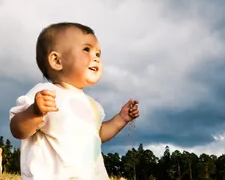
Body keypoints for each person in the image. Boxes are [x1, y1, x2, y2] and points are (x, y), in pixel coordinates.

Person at [9, 22, 140, 180]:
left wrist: (121, 119)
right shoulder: (45, 94)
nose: (96, 58)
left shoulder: (93, 105)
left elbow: (97, 135)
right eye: (87, 49)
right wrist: (34, 112)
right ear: (57, 61)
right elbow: (17, 129)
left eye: (98, 54)